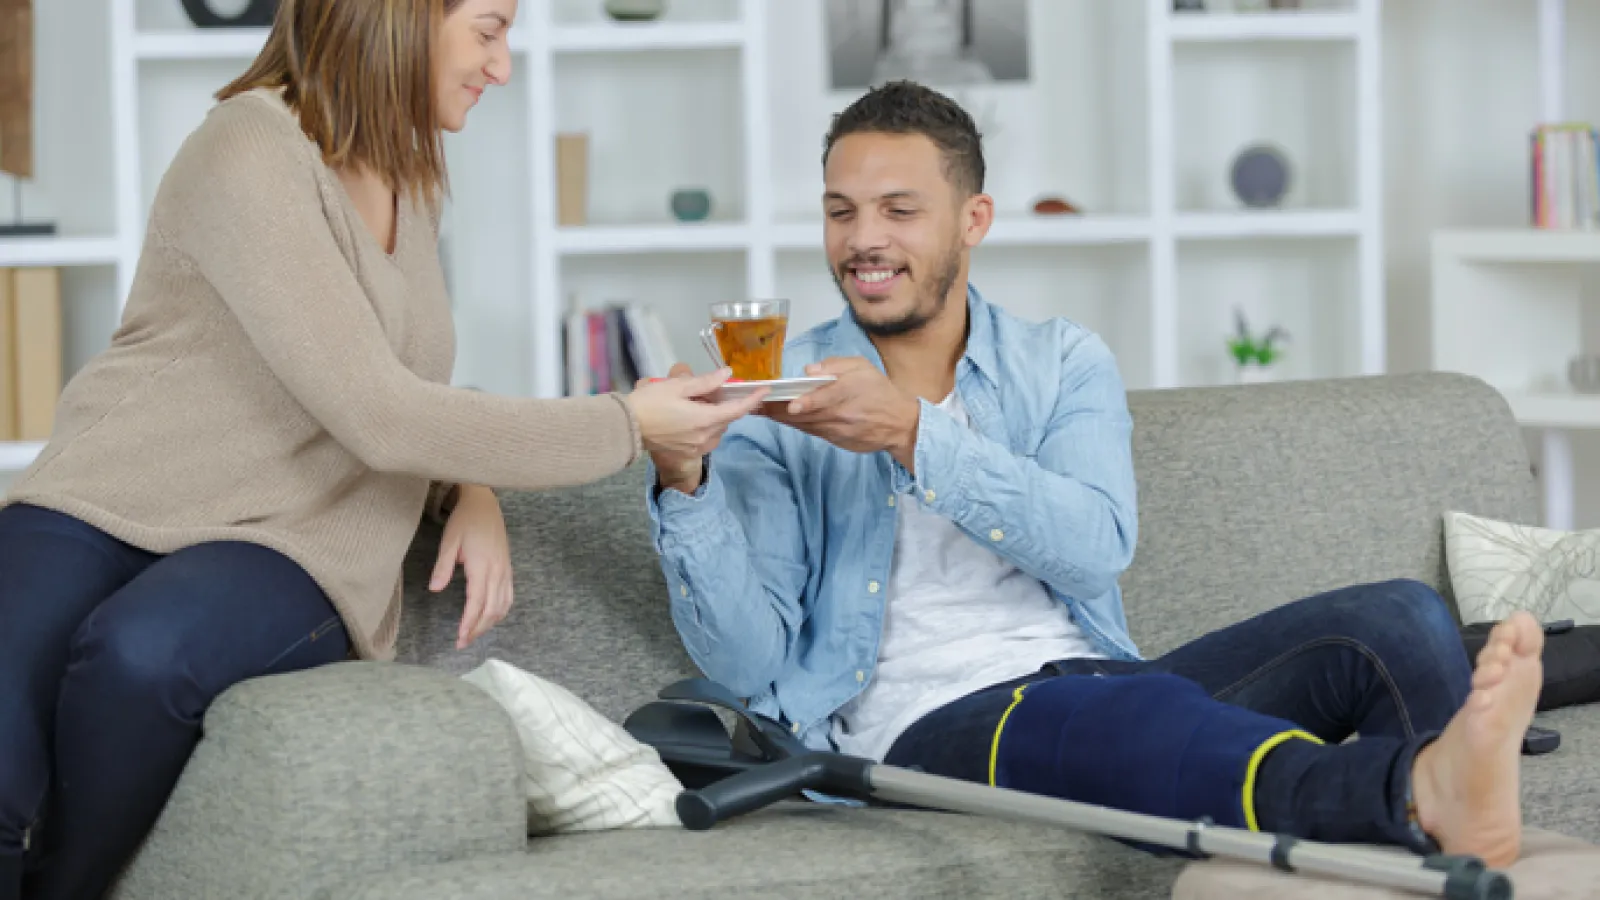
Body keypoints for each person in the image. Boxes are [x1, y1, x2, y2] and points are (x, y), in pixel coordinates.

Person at [644, 79, 1543, 870]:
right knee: (1110, 717)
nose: (863, 241)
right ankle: (1414, 793)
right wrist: (686, 480)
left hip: (1093, 676)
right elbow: (746, 660)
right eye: (841, 211)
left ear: (973, 220)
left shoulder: (1061, 361)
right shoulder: (776, 401)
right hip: (922, 728)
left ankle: (1443, 845)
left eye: (898, 210)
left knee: (1397, 617)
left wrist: (915, 435)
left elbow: (1095, 547)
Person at [0, 1, 764, 897]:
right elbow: (381, 409)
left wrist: (466, 482)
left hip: (297, 534)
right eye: (488, 29)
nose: (502, 65)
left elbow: (384, 392)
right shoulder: (246, 149)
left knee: (140, 656)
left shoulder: (413, 174)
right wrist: (626, 423)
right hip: (106, 493)